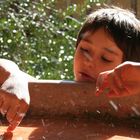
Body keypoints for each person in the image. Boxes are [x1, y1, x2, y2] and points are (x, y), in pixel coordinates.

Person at [0, 6, 140, 131]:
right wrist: (13, 75)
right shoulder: (55, 97)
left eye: (106, 58)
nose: (89, 61)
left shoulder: (134, 108)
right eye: (84, 49)